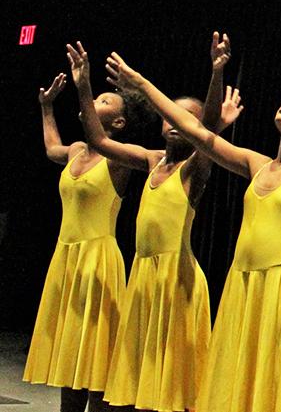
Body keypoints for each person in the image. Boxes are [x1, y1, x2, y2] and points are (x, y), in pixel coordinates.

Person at [104, 14, 281, 412]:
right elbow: (200, 134)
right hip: (240, 289)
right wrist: (141, 85)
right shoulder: (256, 164)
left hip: (279, 293)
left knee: (270, 395)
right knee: (232, 393)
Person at [67, 34, 240, 412]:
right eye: (173, 116)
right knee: (132, 379)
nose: (179, 124)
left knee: (171, 385)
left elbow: (207, 134)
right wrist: (84, 88)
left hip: (176, 279)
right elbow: (97, 138)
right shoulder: (150, 160)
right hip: (143, 277)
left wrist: (216, 73)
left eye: (188, 118)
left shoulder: (195, 167)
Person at [24, 52, 153, 412]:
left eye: (104, 100)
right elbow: (52, 148)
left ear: (120, 123)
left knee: (94, 358)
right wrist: (47, 107)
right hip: (66, 257)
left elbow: (104, 139)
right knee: (70, 357)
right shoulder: (77, 150)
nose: (95, 102)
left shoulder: (119, 156)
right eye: (96, 98)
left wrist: (83, 87)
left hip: (98, 259)